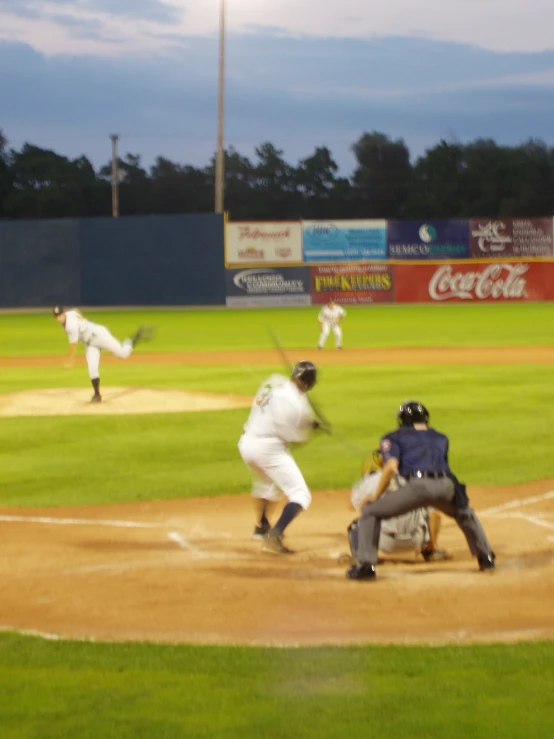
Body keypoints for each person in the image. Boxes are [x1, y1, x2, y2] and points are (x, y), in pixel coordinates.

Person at [346, 400, 496, 581]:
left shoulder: (394, 437)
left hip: (418, 487)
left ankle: (366, 566)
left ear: (402, 420)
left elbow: (391, 467)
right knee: (465, 513)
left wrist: (375, 496)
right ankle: (486, 557)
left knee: (370, 512)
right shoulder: (441, 437)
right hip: (447, 485)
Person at [238, 361, 319, 554]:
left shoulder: (274, 381)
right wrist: (309, 427)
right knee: (300, 494)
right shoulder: (297, 406)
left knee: (270, 481)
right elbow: (298, 439)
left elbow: (273, 408)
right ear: (308, 384)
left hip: (246, 443)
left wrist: (304, 421)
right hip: (267, 449)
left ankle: (262, 526)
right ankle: (274, 537)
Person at [347, 447, 451, 563]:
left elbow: (355, 505)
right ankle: (430, 551)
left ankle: (361, 556)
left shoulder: (373, 480)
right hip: (415, 541)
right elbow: (435, 515)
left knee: (357, 524)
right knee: (430, 512)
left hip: (385, 542)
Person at [53, 306, 155, 403]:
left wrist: (69, 358)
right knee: (92, 368)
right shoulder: (69, 314)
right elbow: (76, 311)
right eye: (56, 316)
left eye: (60, 315)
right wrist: (84, 320)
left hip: (99, 335)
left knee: (123, 354)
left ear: (63, 314)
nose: (58, 318)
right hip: (90, 343)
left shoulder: (71, 326)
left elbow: (73, 344)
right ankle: (97, 395)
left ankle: (135, 337)